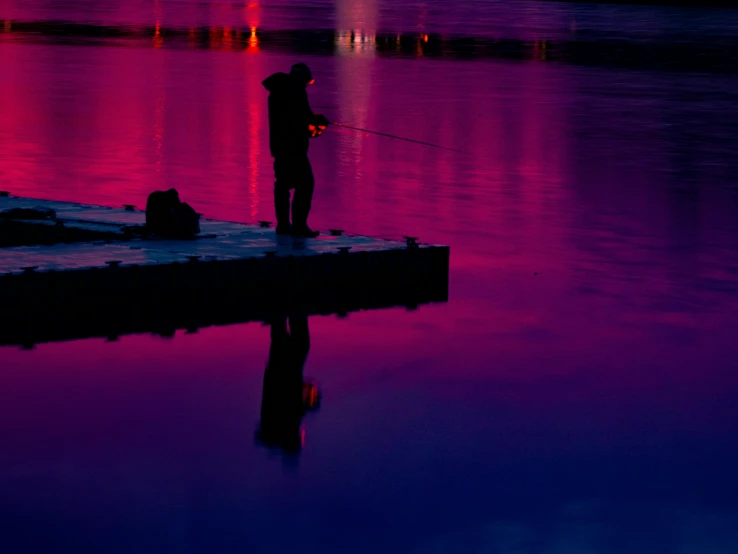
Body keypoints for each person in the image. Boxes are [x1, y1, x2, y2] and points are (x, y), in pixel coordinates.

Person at [262, 63, 330, 238]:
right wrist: (317, 122)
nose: (306, 85)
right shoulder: (296, 92)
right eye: (306, 81)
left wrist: (314, 123)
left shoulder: (277, 92)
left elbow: (297, 120)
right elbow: (300, 121)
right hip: (294, 148)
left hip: (279, 147)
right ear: (300, 79)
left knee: (283, 185)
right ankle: (299, 226)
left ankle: (284, 225)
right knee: (305, 185)